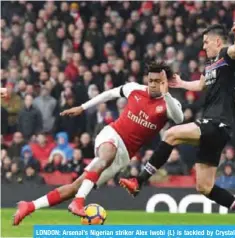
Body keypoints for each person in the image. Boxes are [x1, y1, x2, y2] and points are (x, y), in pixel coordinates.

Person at [120, 23, 235, 225]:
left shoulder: (226, 55)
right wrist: (180, 84)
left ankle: (139, 181)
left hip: (217, 123)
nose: (204, 46)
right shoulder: (211, 65)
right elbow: (200, 85)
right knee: (204, 187)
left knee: (171, 134)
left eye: (206, 42)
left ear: (217, 41)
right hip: (218, 129)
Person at [12, 62, 183, 225]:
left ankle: (29, 206)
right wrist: (83, 107)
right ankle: (78, 202)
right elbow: (109, 94)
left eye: (157, 81)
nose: (152, 84)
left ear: (164, 82)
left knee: (75, 187)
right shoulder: (135, 89)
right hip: (112, 134)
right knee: (106, 155)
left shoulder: (170, 104)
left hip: (123, 156)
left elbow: (179, 118)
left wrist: (166, 93)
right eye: (150, 80)